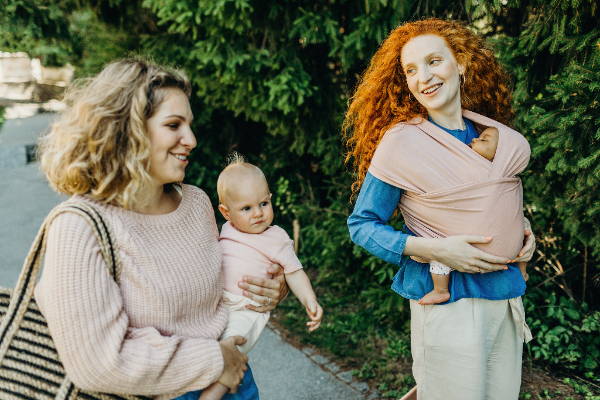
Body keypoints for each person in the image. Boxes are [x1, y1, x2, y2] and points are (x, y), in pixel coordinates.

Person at [34, 58, 288, 400]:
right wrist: (215, 360)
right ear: (126, 130)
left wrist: (271, 284)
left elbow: (223, 279)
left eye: (189, 125)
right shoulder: (79, 226)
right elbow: (97, 363)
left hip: (235, 381)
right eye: (173, 125)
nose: (192, 140)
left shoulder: (196, 203)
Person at [344, 19, 536, 400]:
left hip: (505, 293)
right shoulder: (402, 144)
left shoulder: (490, 137)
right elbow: (362, 225)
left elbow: (494, 199)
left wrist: (522, 230)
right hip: (450, 301)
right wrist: (436, 250)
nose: (424, 77)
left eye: (434, 61)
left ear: (461, 63)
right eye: (411, 70)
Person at [199, 155, 323, 400]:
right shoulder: (225, 229)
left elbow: (294, 272)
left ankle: (214, 393)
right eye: (246, 208)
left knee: (233, 344)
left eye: (263, 204)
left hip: (248, 307)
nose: (257, 213)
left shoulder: (276, 237)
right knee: (208, 348)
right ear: (226, 212)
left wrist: (310, 301)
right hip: (217, 301)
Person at [416, 127, 529, 305]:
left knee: (521, 234)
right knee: (441, 252)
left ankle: (441, 289)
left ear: (503, 155)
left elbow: (512, 209)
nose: (475, 140)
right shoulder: (465, 168)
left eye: (484, 140)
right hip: (468, 243)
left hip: (499, 244)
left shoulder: (508, 179)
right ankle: (441, 290)